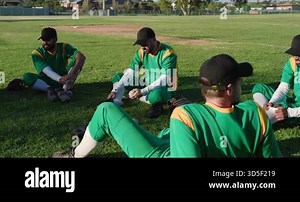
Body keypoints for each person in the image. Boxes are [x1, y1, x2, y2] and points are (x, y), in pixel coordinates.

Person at [53, 54, 282, 158]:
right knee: (164, 131)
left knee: (106, 110)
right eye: (240, 82)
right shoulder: (255, 113)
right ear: (230, 89)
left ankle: (75, 155)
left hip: (164, 151)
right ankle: (129, 127)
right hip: (171, 136)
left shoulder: (186, 115)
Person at [106, 27, 178, 118]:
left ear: (154, 40)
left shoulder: (167, 53)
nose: (142, 47)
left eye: (145, 44)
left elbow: (165, 79)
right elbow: (131, 71)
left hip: (165, 86)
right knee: (119, 77)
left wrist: (143, 91)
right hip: (147, 82)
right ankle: (116, 101)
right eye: (140, 44)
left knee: (156, 95)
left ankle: (144, 98)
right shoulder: (141, 52)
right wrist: (115, 90)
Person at [22, 27, 86, 102]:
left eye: (48, 40)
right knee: (27, 77)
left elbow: (81, 57)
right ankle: (50, 89)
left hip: (65, 77)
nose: (45, 42)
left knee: (78, 61)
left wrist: (69, 76)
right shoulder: (37, 53)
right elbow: (47, 71)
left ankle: (65, 89)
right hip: (48, 80)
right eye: (43, 40)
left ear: (55, 39)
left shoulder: (63, 47)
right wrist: (59, 79)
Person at [252, 34, 300, 124]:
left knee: (279, 110)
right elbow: (283, 87)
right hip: (293, 102)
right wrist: (272, 102)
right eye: (294, 54)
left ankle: (262, 122)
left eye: (299, 54)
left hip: (296, 107)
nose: (296, 57)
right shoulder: (292, 63)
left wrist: (289, 113)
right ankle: (267, 110)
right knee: (259, 88)